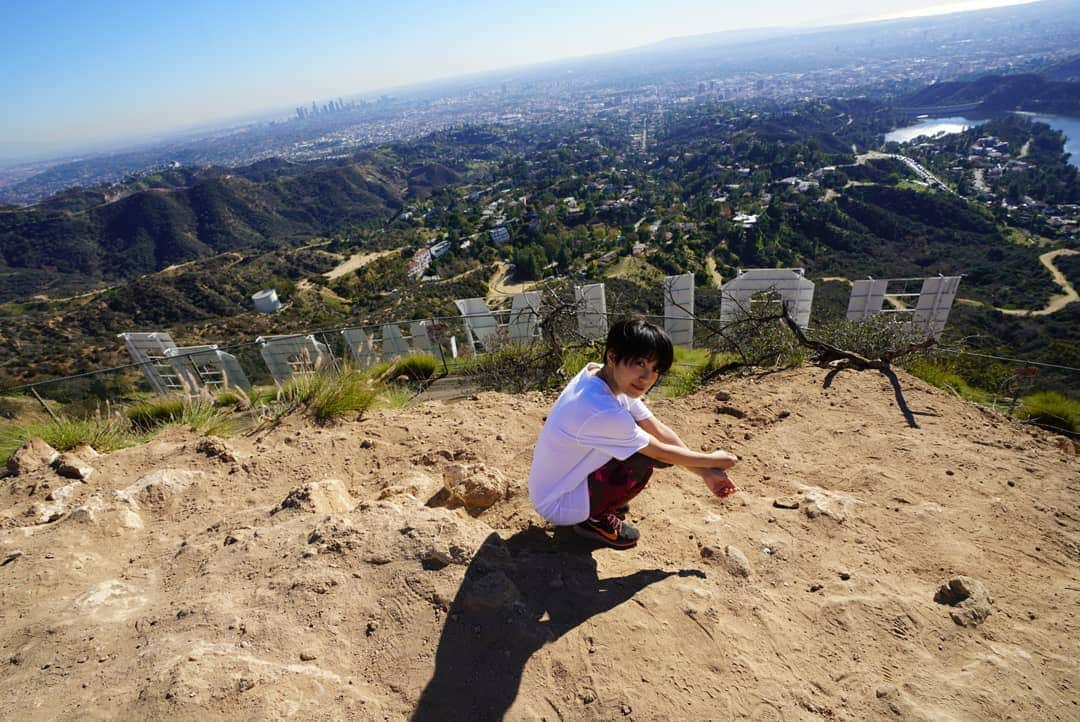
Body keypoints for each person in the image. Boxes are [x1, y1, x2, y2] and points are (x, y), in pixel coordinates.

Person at [528, 316, 738, 550]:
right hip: (558, 503)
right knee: (641, 460)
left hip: (556, 484)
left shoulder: (600, 375)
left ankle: (599, 501)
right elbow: (659, 453)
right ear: (612, 356)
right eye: (639, 363)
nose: (647, 378)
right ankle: (593, 519)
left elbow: (657, 429)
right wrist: (713, 459)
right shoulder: (599, 407)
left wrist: (706, 473)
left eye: (655, 369)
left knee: (641, 445)